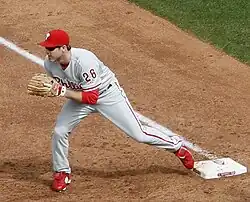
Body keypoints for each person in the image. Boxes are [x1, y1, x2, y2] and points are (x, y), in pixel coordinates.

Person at [38, 29, 194, 192]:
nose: (47, 51)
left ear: (63, 48)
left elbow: (92, 97)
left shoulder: (84, 61)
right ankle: (61, 172)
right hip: (79, 99)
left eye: (50, 48)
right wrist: (54, 88)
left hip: (107, 95)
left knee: (139, 134)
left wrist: (62, 92)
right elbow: (66, 86)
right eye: (46, 48)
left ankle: (177, 147)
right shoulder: (49, 64)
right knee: (59, 131)